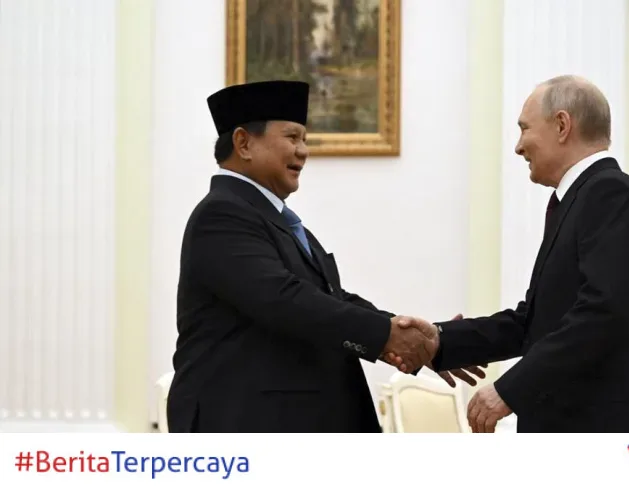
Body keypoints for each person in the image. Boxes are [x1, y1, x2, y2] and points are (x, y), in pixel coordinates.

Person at [166, 80, 478, 432]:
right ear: (244, 143)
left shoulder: (270, 217)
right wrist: (390, 337)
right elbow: (286, 300)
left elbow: (331, 299)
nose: (303, 151)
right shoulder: (222, 215)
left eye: (305, 140)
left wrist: (423, 341)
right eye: (292, 137)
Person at [401, 75, 629, 433]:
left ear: (562, 125)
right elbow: (534, 321)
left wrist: (509, 390)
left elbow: (601, 315)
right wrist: (442, 339)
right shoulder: (578, 200)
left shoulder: (611, 194)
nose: (518, 147)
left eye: (524, 129)